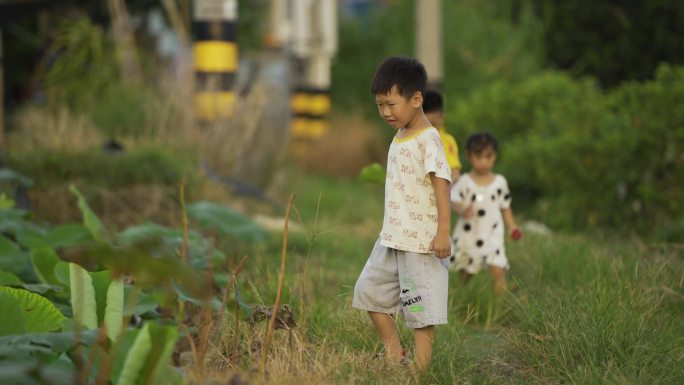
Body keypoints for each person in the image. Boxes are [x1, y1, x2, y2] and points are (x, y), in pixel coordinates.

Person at [352, 56, 452, 371]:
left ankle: (420, 373)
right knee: (368, 292)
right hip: (392, 237)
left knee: (420, 310)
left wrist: (443, 231)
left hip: (421, 243)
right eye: (380, 105)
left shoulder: (429, 139)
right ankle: (395, 354)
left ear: (416, 99)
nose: (385, 112)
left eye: (391, 104)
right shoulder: (400, 135)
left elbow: (442, 184)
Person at [448, 132, 522, 295]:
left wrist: (513, 227)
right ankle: (463, 299)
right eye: (478, 156)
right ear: (469, 156)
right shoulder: (464, 181)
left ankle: (498, 308)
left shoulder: (500, 182)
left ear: (495, 156)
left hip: (492, 232)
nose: (483, 162)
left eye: (488, 156)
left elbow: (505, 206)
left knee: (497, 269)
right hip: (470, 232)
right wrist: (462, 208)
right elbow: (453, 199)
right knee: (466, 271)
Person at [423, 89, 461, 183]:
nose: (430, 129)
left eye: (434, 124)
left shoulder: (448, 140)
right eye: (426, 125)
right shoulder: (415, 140)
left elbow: (455, 171)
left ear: (442, 117)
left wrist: (444, 189)